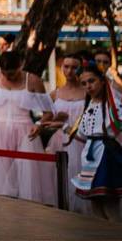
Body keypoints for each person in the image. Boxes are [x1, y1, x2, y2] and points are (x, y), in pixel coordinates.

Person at [0, 50, 56, 205]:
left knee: (24, 179)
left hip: (24, 134)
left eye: (12, 73)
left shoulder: (33, 81)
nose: (8, 77)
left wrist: (39, 125)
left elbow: (48, 113)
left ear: (21, 65)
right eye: (4, 73)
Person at [70, 60, 122, 220]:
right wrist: (64, 127)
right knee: (96, 205)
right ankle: (102, 233)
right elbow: (82, 134)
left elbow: (116, 126)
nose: (88, 86)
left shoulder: (114, 104)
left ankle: (115, 232)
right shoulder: (89, 105)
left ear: (102, 80)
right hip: (90, 157)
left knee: (110, 205)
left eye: (91, 81)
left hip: (107, 155)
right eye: (84, 83)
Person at [47, 51, 90, 214]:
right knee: (59, 179)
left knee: (79, 177)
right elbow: (46, 121)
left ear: (80, 68)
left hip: (80, 141)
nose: (69, 71)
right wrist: (55, 119)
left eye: (74, 67)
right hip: (60, 141)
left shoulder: (87, 92)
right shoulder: (55, 93)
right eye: (66, 66)